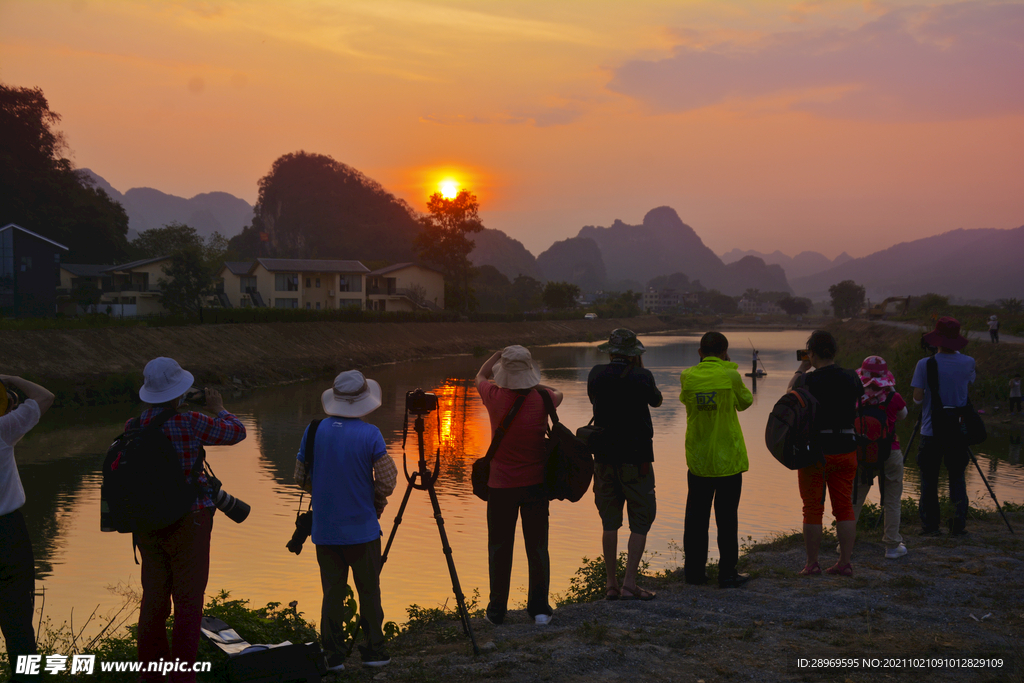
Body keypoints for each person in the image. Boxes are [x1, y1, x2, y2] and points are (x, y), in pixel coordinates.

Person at [132, 358, 246, 683]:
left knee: (153, 599)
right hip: (189, 521)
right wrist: (219, 407)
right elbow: (237, 432)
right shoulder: (191, 422)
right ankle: (183, 679)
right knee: (188, 604)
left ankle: (151, 676)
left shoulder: (134, 426)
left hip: (148, 524)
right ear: (178, 393)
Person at [295, 370, 396, 670]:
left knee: (332, 594)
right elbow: (388, 481)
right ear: (364, 400)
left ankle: (333, 656)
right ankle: (375, 651)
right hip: (363, 532)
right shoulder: (371, 434)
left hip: (325, 532)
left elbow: (301, 477)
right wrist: (374, 502)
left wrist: (328, 494)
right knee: (369, 592)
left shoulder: (314, 430)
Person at [476, 346, 561, 625]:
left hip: (500, 487)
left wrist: (496, 354)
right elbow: (558, 393)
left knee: (499, 548)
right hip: (536, 485)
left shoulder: (493, 396)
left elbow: (480, 375)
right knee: (537, 548)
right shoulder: (544, 397)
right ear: (529, 373)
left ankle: (496, 611)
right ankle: (538, 610)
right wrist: (534, 384)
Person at [588, 329, 663, 601]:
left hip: (603, 458)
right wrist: (639, 370)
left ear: (610, 351)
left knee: (610, 522)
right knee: (640, 520)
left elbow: (595, 401)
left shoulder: (596, 373)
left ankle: (611, 584)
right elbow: (656, 400)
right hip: (636, 459)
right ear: (635, 354)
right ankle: (630, 583)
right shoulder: (642, 376)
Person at [679, 332, 753, 588]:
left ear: (700, 353)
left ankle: (694, 573)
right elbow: (746, 402)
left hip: (698, 460)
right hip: (728, 462)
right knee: (727, 518)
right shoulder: (730, 375)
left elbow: (686, 401)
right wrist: (727, 367)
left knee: (696, 519)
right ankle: (727, 574)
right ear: (725, 352)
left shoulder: (687, 376)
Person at [787, 330, 862, 577]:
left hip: (815, 452)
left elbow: (790, 396)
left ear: (811, 352)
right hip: (847, 447)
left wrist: (802, 367)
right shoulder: (852, 377)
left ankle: (812, 564)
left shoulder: (808, 380)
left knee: (812, 508)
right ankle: (845, 563)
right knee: (844, 508)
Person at [0, 376, 53, 683]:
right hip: (7, 533)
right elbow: (45, 396)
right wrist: (11, 380)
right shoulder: (5, 431)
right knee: (18, 620)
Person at [911, 317, 976, 536]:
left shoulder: (925, 364)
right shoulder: (969, 362)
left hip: (931, 430)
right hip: (958, 429)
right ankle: (957, 525)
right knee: (957, 476)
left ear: (936, 339)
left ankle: (930, 526)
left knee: (929, 479)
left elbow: (917, 400)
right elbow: (966, 389)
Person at [850, 356, 909, 559]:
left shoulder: (855, 398)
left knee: (855, 499)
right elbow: (904, 416)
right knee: (892, 499)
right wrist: (891, 389)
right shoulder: (894, 398)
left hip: (862, 453)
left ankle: (845, 544)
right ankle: (892, 546)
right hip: (889, 452)